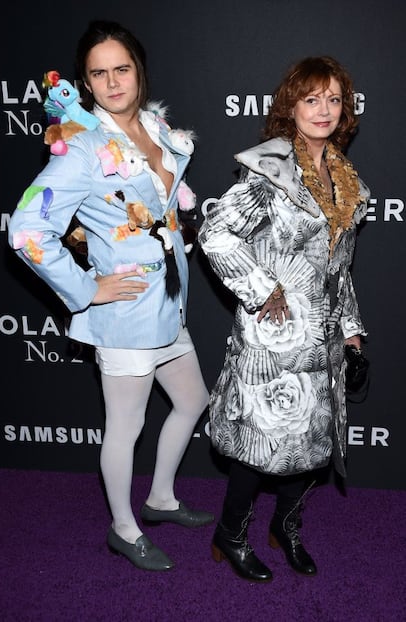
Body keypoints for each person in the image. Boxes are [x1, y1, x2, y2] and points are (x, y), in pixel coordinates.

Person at [8, 19, 213, 572]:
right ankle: (124, 529)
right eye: (98, 73)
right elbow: (26, 231)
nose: (112, 82)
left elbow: (165, 205)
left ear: (138, 71)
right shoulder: (81, 150)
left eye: (121, 68)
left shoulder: (158, 128)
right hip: (124, 311)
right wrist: (86, 289)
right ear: (86, 83)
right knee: (126, 427)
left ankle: (161, 498)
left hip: (168, 303)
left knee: (193, 401)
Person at [199, 56, 369, 582]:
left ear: (346, 110)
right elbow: (214, 233)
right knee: (260, 447)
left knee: (312, 447)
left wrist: (352, 331)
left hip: (322, 340)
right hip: (272, 342)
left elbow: (337, 268)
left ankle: (284, 528)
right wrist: (261, 287)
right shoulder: (270, 171)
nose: (323, 110)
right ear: (291, 106)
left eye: (334, 99)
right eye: (312, 98)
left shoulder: (345, 179)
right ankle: (229, 535)